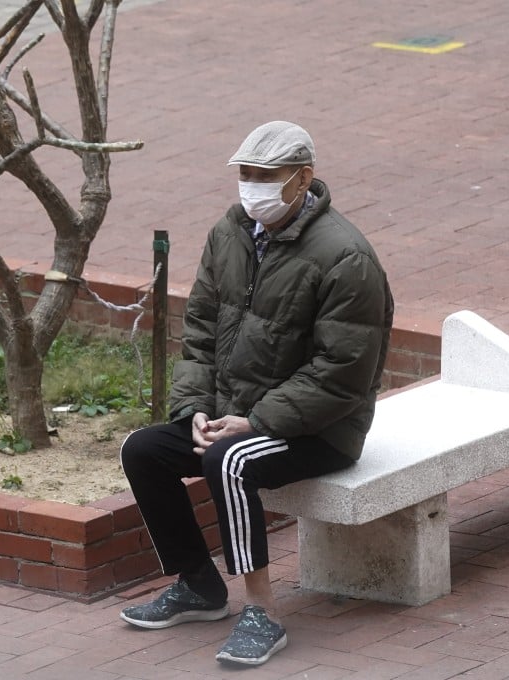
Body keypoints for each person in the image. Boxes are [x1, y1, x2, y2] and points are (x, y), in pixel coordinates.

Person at [118, 120, 393, 666]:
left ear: (303, 178)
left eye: (266, 176)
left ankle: (261, 612)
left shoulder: (345, 257)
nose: (252, 186)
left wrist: (258, 420)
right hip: (235, 415)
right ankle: (198, 585)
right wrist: (194, 408)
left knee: (229, 460)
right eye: (245, 173)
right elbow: (198, 330)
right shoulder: (231, 233)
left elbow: (343, 372)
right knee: (143, 450)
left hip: (322, 429)